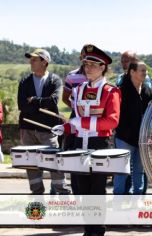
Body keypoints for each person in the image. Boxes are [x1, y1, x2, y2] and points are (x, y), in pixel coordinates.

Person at [52, 44, 121, 236]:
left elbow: (112, 121)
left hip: (99, 146)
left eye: (92, 64)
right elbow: (75, 121)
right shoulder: (79, 90)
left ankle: (97, 230)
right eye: (85, 64)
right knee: (80, 190)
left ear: (102, 67)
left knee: (96, 191)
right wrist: (65, 127)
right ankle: (87, 229)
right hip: (78, 145)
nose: (87, 68)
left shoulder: (110, 91)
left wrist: (82, 122)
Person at [17, 48, 70, 195]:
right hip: (27, 129)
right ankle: (37, 193)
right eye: (31, 59)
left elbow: (53, 102)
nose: (31, 62)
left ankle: (62, 191)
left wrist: (33, 100)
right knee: (31, 163)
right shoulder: (24, 81)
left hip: (48, 129)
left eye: (34, 59)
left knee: (54, 160)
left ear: (44, 62)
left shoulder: (55, 80)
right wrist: (41, 105)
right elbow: (22, 105)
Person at [113, 61, 152, 195]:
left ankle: (138, 200)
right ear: (132, 72)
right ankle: (118, 200)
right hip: (124, 138)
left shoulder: (147, 90)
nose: (145, 73)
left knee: (139, 171)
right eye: (142, 70)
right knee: (121, 171)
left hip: (141, 139)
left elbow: (151, 112)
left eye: (145, 70)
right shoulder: (121, 90)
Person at [61, 45, 88, 194]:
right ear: (80, 57)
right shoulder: (72, 76)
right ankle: (76, 192)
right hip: (76, 121)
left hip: (94, 124)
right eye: (84, 55)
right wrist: (76, 108)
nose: (86, 59)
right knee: (73, 155)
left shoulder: (98, 77)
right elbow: (65, 98)